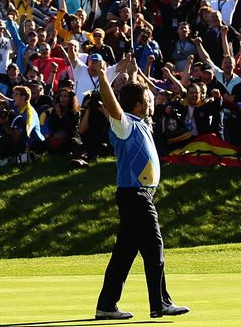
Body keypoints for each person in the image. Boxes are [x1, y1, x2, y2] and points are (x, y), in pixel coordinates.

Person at [94, 71, 190, 320]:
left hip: (139, 195)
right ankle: (160, 303)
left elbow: (132, 95)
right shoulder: (124, 123)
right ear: (137, 104)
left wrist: (135, 72)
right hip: (134, 195)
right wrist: (103, 78)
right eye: (147, 98)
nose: (151, 101)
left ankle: (106, 305)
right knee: (154, 245)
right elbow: (112, 104)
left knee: (124, 253)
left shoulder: (141, 123)